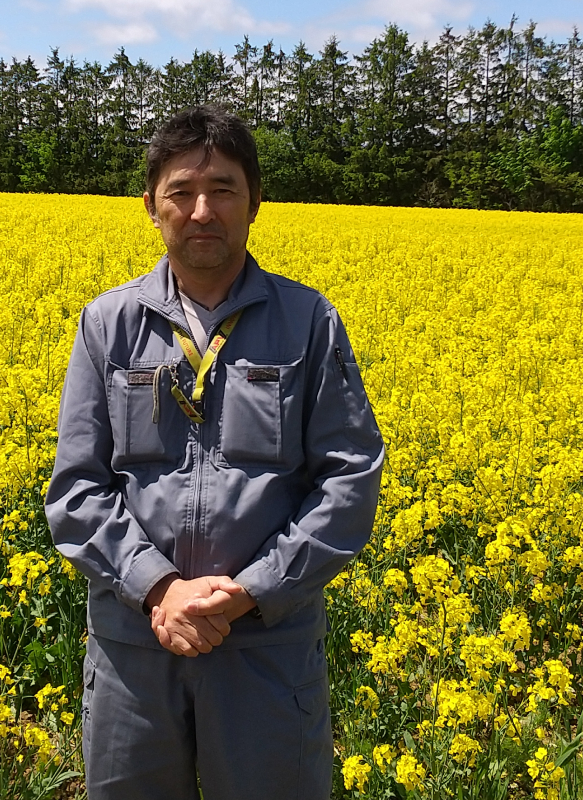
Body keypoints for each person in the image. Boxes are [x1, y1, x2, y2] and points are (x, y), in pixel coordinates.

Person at [44, 104, 384, 800]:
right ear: (150, 205)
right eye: (182, 192)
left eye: (224, 190)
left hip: (265, 646)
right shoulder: (108, 323)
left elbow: (348, 482)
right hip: (138, 644)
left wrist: (252, 592)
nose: (203, 210)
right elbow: (76, 489)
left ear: (255, 202)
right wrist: (160, 591)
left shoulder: (310, 322)